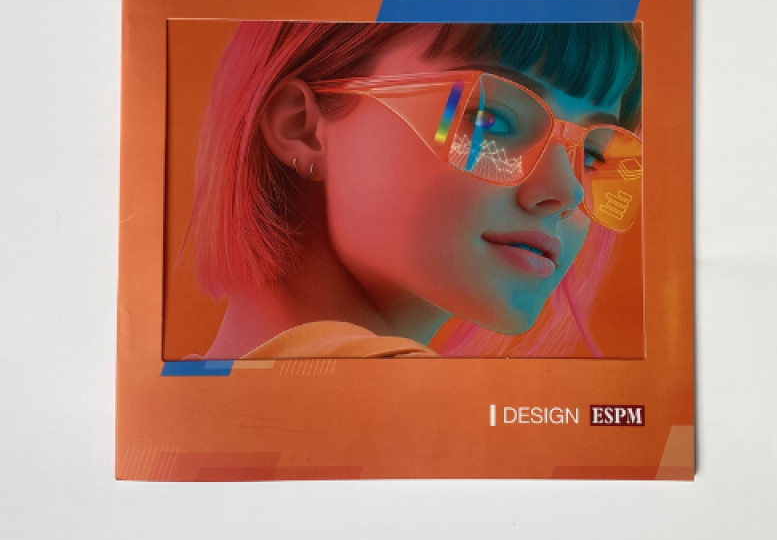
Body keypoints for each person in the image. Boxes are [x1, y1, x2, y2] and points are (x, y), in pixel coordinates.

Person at [188, 21, 642, 359]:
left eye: (591, 156)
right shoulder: (428, 414)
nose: (568, 192)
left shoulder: (179, 400)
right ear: (301, 128)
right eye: (489, 119)